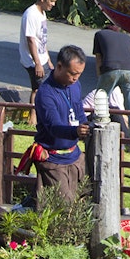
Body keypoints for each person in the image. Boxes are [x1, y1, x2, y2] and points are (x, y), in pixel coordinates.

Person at [34, 45, 90, 202]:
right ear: (59, 66)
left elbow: (79, 112)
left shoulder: (75, 86)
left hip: (75, 155)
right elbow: (54, 127)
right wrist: (76, 132)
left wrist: (87, 125)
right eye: (72, 73)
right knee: (63, 208)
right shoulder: (45, 94)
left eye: (79, 74)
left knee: (84, 202)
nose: (76, 78)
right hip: (54, 159)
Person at [93, 25, 130, 151]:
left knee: (101, 102)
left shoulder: (100, 34)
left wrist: (100, 77)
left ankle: (98, 135)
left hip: (110, 68)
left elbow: (99, 58)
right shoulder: (128, 38)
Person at [21, 0, 58, 126]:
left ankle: (41, 116)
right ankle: (33, 118)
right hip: (32, 59)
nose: (53, 5)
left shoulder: (42, 12)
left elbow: (42, 38)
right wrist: (37, 63)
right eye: (51, 1)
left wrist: (47, 59)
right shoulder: (31, 14)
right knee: (38, 89)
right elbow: (30, 39)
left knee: (45, 87)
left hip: (42, 58)